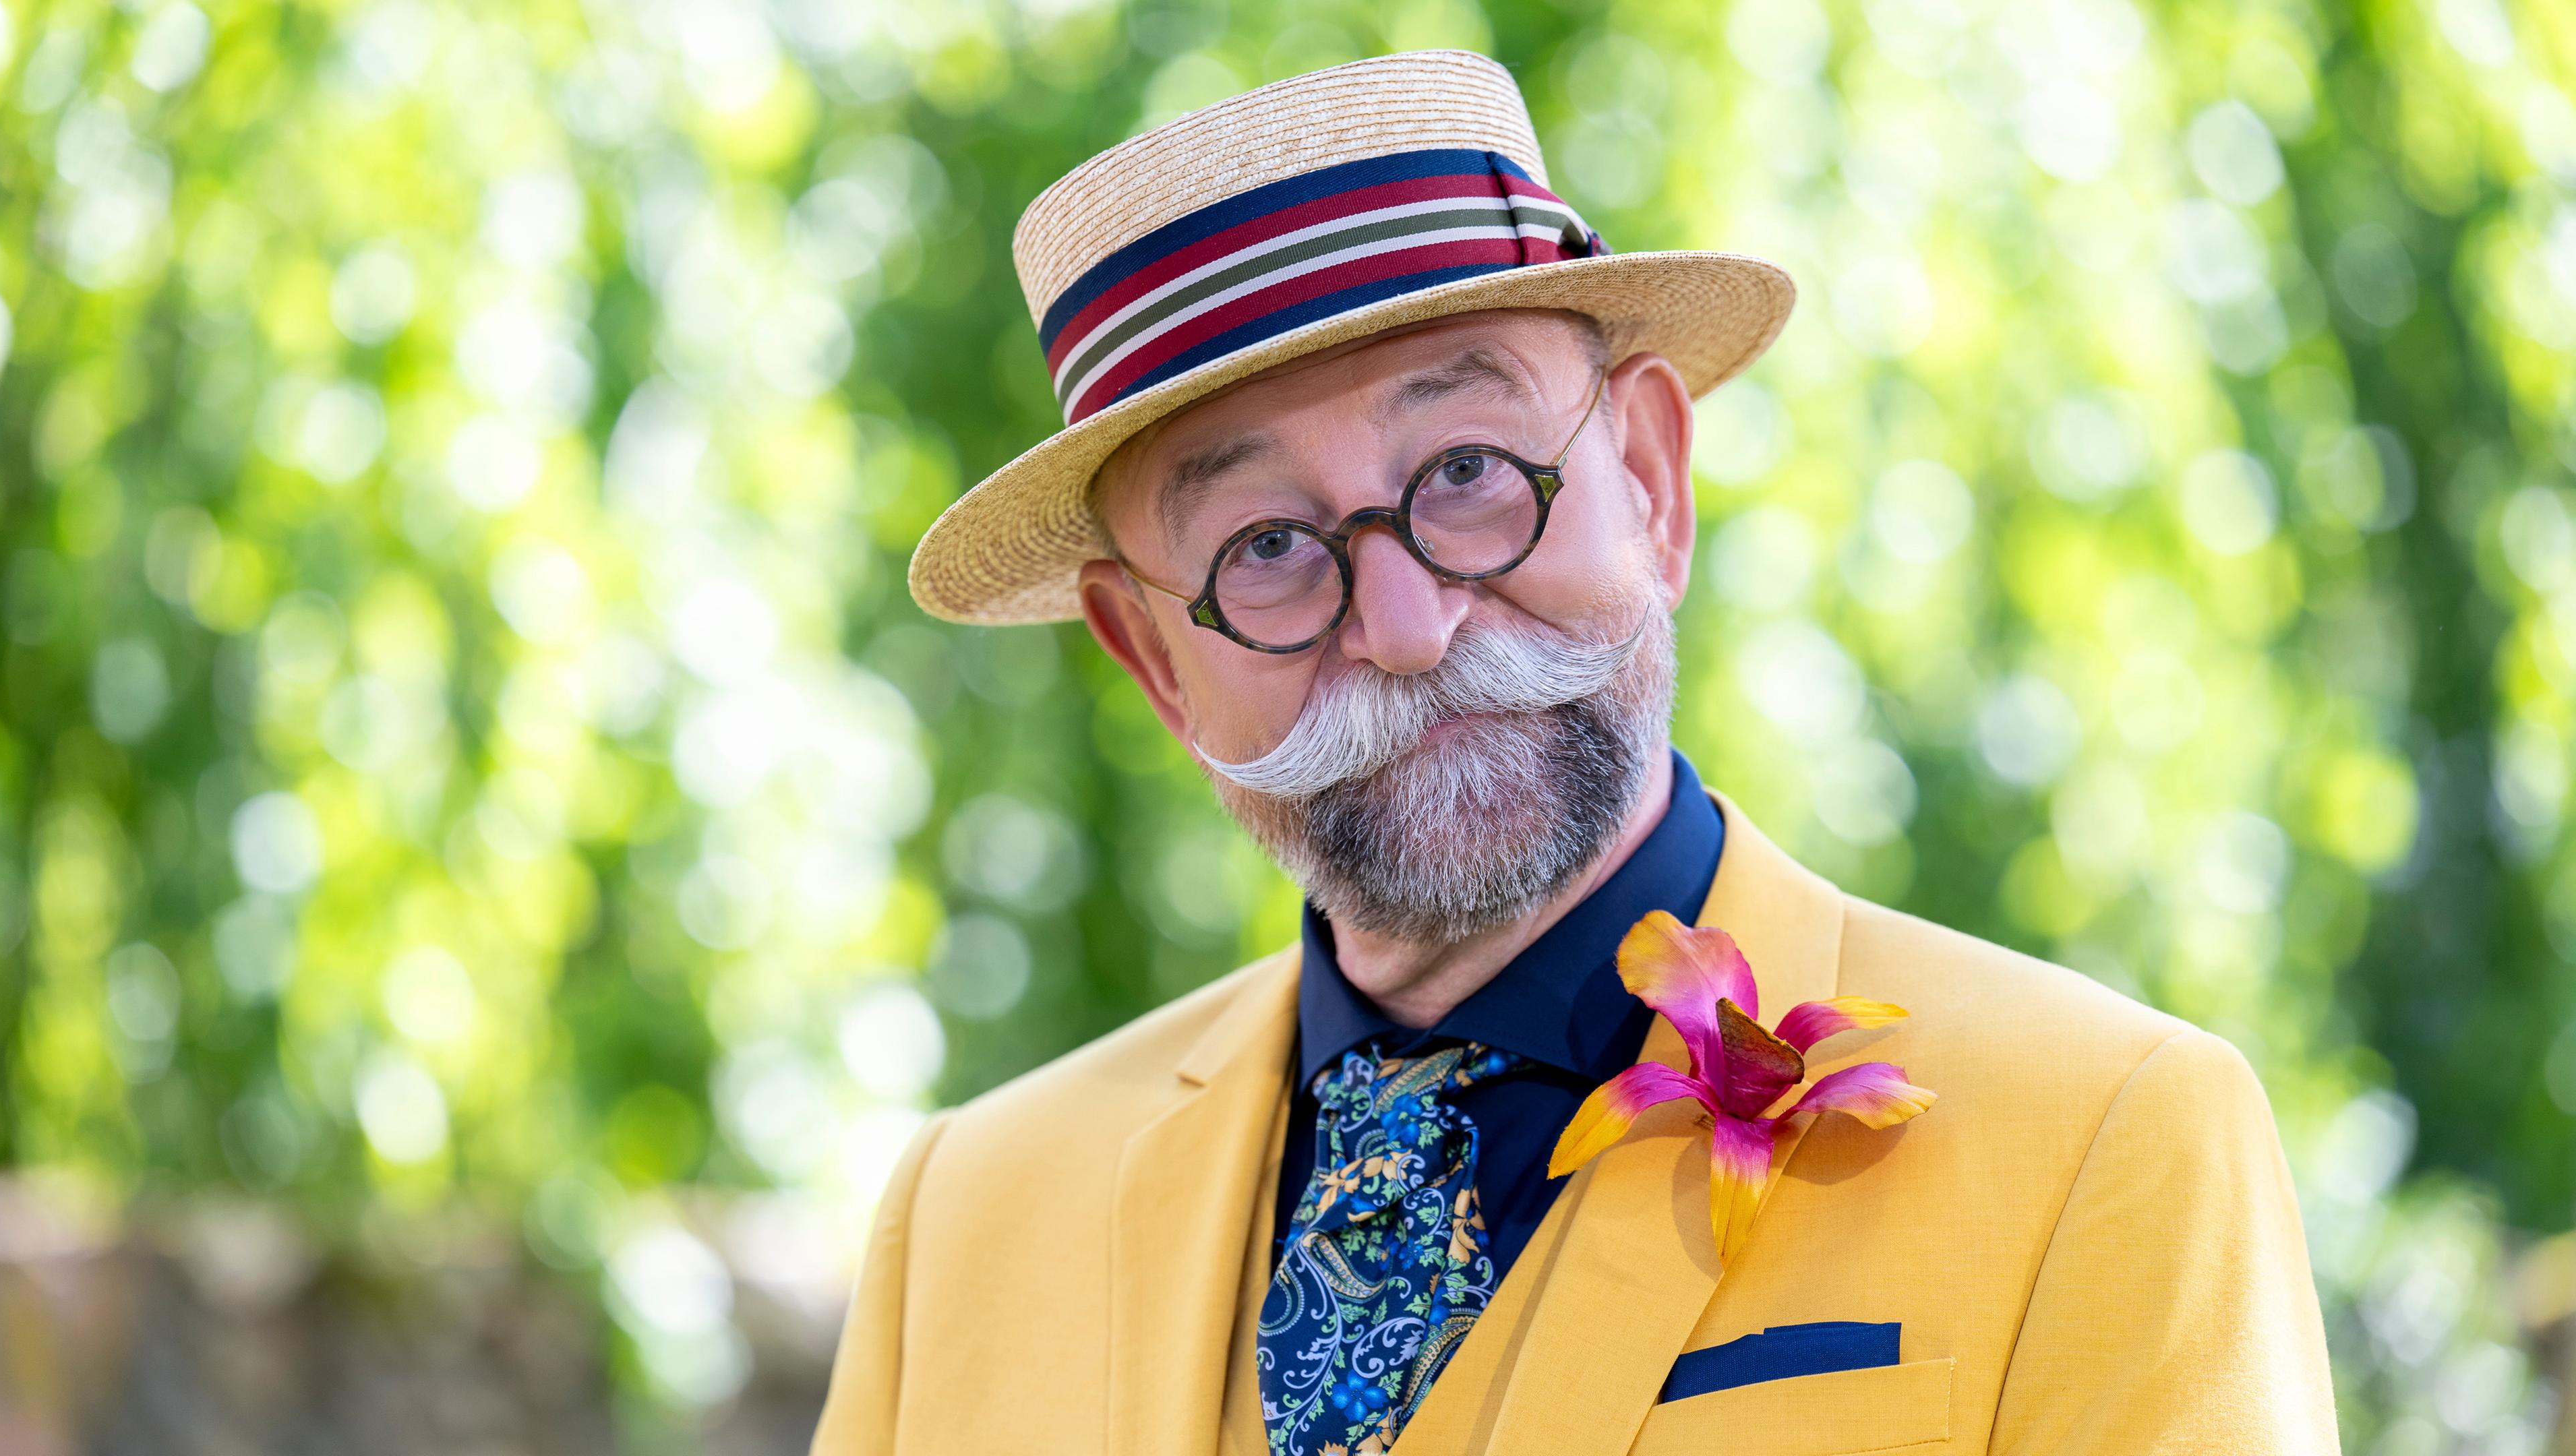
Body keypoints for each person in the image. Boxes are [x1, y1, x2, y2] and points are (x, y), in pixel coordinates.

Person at [812, 49, 2337, 1456]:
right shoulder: (962, 1224)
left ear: (1654, 481)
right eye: (1270, 545)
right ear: (1152, 659)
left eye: (1470, 471)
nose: (1405, 627)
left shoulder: (2112, 1141)